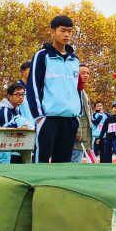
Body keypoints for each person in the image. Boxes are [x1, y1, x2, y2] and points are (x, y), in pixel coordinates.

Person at [26, 15, 81, 163]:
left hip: (70, 119)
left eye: (70, 31)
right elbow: (33, 86)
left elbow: (77, 89)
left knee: (63, 165)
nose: (67, 35)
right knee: (41, 162)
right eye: (63, 31)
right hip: (48, 119)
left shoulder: (75, 60)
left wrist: (77, 114)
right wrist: (39, 117)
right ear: (52, 32)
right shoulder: (42, 56)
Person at [0, 82, 32, 163]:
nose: (21, 97)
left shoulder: (16, 109)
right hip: (0, 154)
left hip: (11, 149)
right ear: (9, 96)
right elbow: (3, 134)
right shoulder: (4, 111)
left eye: (22, 94)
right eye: (17, 94)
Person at [72, 65, 94, 163]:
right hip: (77, 136)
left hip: (85, 135)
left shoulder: (83, 92)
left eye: (88, 73)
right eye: (83, 73)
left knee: (77, 160)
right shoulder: (74, 90)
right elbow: (74, 112)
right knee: (74, 162)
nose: (86, 75)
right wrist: (78, 130)